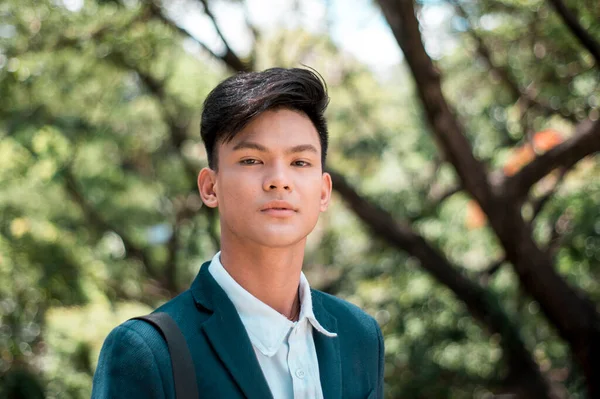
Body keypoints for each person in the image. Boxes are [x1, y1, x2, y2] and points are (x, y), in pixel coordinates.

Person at [91, 67, 384, 399]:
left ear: (323, 192)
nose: (279, 179)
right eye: (251, 160)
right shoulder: (147, 351)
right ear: (210, 187)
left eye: (300, 163)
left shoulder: (359, 335)